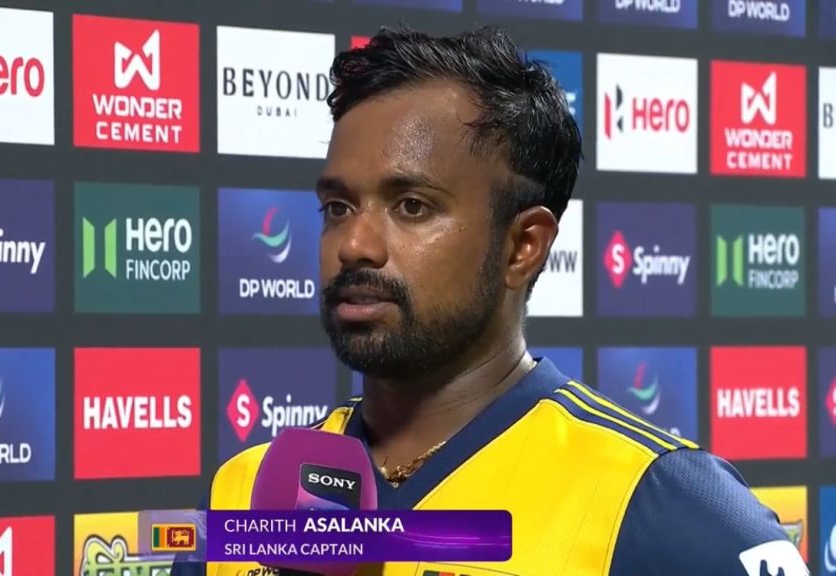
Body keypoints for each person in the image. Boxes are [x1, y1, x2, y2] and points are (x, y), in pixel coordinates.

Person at [173, 25, 810, 576]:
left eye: (411, 206)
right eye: (338, 207)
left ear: (522, 246)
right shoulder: (245, 490)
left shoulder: (661, 504)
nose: (355, 245)